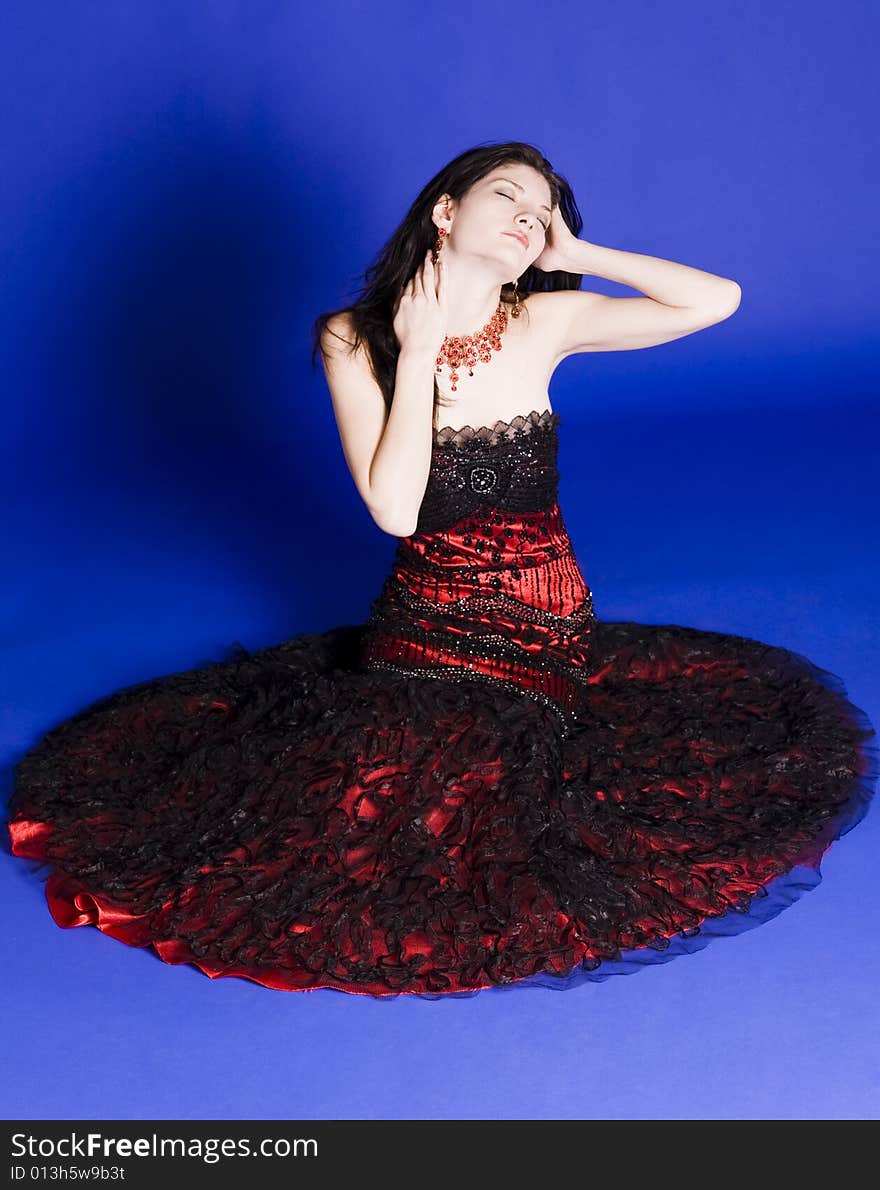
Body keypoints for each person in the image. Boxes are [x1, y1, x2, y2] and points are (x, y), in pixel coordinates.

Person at [7, 142, 877, 1000]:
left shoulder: (546, 320)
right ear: (446, 212)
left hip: (540, 613)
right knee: (366, 794)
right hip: (423, 612)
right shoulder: (352, 336)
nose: (528, 215)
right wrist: (418, 350)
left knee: (485, 799)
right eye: (508, 195)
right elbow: (396, 510)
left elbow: (716, 300)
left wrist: (573, 253)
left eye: (542, 211)